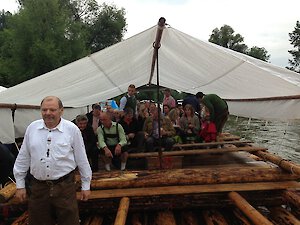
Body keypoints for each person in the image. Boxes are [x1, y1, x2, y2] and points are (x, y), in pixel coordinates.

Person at [13, 96, 92, 225]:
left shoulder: (72, 130)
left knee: (69, 221)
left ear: (61, 111)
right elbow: (23, 157)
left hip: (65, 187)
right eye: (44, 110)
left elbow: (82, 159)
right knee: (38, 221)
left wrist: (86, 185)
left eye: (52, 110)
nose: (48, 113)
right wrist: (20, 184)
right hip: (38, 187)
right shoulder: (32, 128)